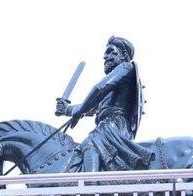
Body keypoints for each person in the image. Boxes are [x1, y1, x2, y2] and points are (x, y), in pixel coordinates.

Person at [54, 35, 154, 172]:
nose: (105, 57)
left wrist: (78, 110)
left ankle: (91, 184)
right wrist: (68, 109)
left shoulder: (126, 67)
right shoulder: (116, 83)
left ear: (124, 55)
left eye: (110, 52)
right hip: (106, 125)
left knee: (90, 143)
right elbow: (91, 108)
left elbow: (99, 89)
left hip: (115, 124)